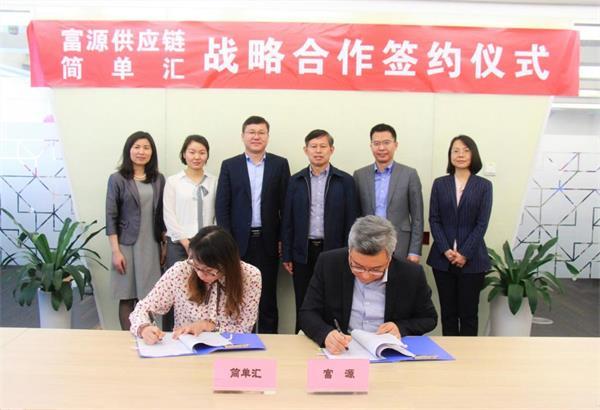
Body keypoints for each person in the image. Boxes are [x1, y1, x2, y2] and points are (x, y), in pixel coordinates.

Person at [299, 215, 437, 355]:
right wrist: (326, 334)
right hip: (342, 349)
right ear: (349, 252)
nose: (365, 276)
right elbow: (307, 313)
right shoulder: (329, 263)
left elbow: (429, 318)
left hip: (386, 351)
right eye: (357, 266)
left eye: (376, 269)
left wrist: (400, 328)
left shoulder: (411, 274)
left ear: (389, 258)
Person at [215, 115, 290, 334]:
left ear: (267, 136)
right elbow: (222, 206)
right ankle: (239, 340)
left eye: (261, 133)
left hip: (268, 242)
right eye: (251, 132)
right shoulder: (230, 165)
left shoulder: (279, 164)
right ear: (243, 136)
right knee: (237, 296)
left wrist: (282, 239)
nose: (256, 137)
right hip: (237, 243)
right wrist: (227, 242)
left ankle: (269, 343)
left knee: (267, 299)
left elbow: (286, 207)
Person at [129, 226, 262, 344]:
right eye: (197, 267)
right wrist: (144, 328)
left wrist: (209, 326)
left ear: (228, 265)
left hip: (230, 350)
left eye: (209, 271)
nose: (201, 275)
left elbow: (245, 329)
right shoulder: (181, 271)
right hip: (186, 350)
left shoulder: (250, 276)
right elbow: (142, 308)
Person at [282, 129, 358, 333]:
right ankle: (301, 338)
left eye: (323, 146)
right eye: (313, 146)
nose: (318, 151)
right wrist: (287, 254)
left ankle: (332, 339)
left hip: (334, 251)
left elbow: (352, 221)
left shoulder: (345, 181)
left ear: (331, 150)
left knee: (332, 300)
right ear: (305, 150)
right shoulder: (295, 181)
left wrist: (349, 252)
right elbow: (287, 220)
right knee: (303, 299)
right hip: (303, 251)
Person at [427, 135, 493, 336]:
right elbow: (434, 219)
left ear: (473, 154)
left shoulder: (484, 185)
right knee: (448, 313)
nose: (460, 155)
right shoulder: (440, 184)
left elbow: (482, 223)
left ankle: (468, 354)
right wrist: (446, 250)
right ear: (450, 155)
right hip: (442, 260)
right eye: (455, 150)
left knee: (469, 314)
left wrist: (464, 253)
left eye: (465, 150)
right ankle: (449, 354)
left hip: (473, 260)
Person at [105, 131, 166, 330]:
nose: (141, 152)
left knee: (149, 297)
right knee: (127, 295)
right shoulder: (117, 179)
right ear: (128, 150)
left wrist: (164, 245)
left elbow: (162, 215)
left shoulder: (158, 179)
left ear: (152, 152)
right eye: (137, 147)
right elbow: (111, 216)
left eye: (146, 148)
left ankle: (148, 337)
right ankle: (128, 340)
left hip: (151, 245)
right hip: (126, 245)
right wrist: (116, 251)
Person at [161, 135, 217, 330]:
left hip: (207, 245)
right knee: (175, 290)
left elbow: (217, 214)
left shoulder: (214, 181)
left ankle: (199, 331)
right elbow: (169, 214)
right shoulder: (174, 181)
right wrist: (186, 242)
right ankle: (170, 333)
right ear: (184, 154)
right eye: (192, 152)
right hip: (179, 244)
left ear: (207, 155)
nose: (197, 157)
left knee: (204, 290)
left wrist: (210, 240)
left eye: (202, 152)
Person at [353, 123, 424, 263]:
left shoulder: (409, 174)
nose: (381, 148)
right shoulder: (359, 175)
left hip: (400, 243)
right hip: (367, 243)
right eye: (376, 143)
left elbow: (417, 217)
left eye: (386, 142)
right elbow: (355, 214)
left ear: (395, 145)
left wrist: (414, 251)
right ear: (371, 146)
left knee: (398, 277)